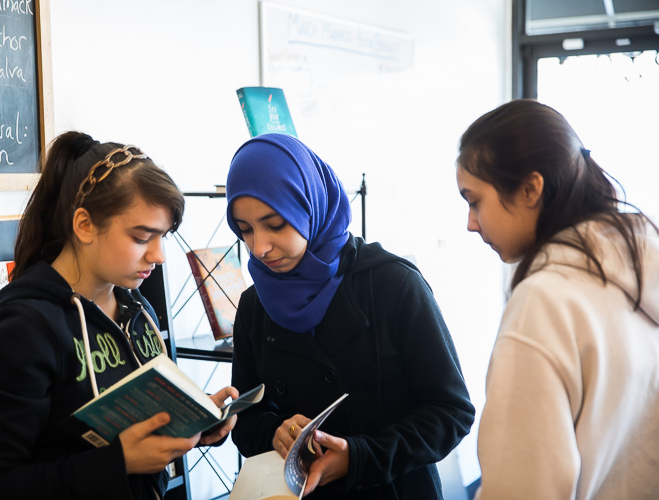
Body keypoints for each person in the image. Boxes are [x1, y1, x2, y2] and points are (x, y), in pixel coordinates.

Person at [0, 131, 238, 500]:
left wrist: (191, 421)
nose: (159, 256)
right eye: (142, 237)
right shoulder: (22, 330)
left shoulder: (137, 309)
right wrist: (119, 462)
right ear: (84, 225)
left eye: (164, 237)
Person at [225, 133, 475, 498]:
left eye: (275, 224)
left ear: (310, 204)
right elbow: (245, 421)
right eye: (244, 230)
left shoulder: (392, 283)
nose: (259, 247)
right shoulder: (254, 305)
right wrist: (275, 431)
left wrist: (359, 457)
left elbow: (451, 412)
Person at [455, 99, 659, 499]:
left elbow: (523, 488)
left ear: (531, 188)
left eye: (474, 200)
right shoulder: (641, 267)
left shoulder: (544, 302)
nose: (470, 223)